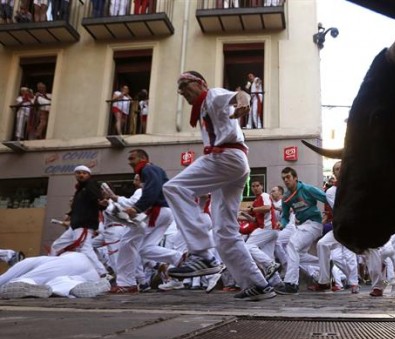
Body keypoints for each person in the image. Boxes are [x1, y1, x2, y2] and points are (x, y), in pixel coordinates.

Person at [162, 70, 276, 301]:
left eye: (184, 85)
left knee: (174, 188)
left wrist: (243, 102)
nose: (181, 91)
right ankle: (258, 284)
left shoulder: (212, 95)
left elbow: (238, 94)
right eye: (180, 87)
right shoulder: (204, 107)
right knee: (224, 233)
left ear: (200, 83)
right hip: (232, 164)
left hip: (226, 157)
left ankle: (202, 254)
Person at [108, 149, 185, 294]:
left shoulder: (147, 169)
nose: (130, 162)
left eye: (132, 158)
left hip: (156, 211)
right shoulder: (153, 170)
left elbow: (153, 188)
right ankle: (181, 258)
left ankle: (126, 283)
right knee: (144, 248)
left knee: (127, 241)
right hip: (164, 212)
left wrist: (137, 208)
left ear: (143, 158)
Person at [273, 166, 329, 295]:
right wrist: (281, 224)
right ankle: (324, 263)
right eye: (283, 178)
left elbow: (326, 198)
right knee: (298, 254)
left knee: (292, 245)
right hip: (302, 226)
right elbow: (286, 216)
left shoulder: (307, 189)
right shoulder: (286, 197)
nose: (286, 181)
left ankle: (291, 284)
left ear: (295, 178)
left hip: (314, 224)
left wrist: (329, 215)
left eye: (288, 177)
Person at [308, 161, 360, 294]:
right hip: (339, 227)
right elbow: (342, 208)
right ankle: (324, 281)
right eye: (336, 169)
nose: (339, 170)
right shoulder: (331, 191)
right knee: (322, 244)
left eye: (342, 168)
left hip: (353, 226)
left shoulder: (355, 186)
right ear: (334, 173)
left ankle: (354, 283)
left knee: (349, 254)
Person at [49, 165, 108, 278]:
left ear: (89, 175)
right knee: (57, 245)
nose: (81, 175)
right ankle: (51, 268)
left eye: (84, 173)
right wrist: (69, 214)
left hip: (84, 223)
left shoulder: (91, 184)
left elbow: (97, 198)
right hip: (75, 224)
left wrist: (101, 202)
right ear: (75, 175)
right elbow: (79, 205)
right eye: (79, 173)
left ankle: (102, 273)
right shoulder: (80, 189)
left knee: (84, 248)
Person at [0, 252, 110, 299]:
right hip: (91, 275)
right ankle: (70, 287)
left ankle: (24, 283)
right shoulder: (90, 266)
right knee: (60, 281)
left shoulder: (65, 256)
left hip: (64, 261)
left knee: (24, 274)